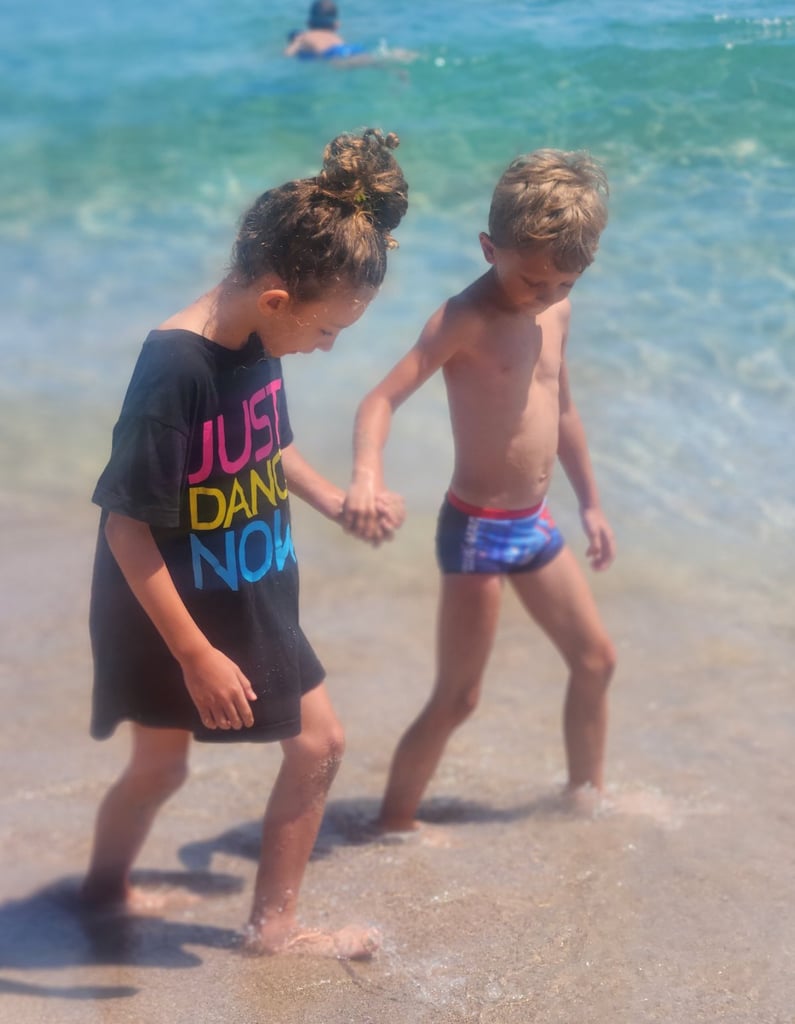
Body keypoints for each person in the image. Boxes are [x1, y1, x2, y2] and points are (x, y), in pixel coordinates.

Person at [81, 128, 409, 959]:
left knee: (319, 745)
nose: (326, 347)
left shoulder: (258, 336)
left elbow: (264, 443)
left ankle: (273, 928)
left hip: (249, 585)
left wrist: (333, 500)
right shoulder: (175, 368)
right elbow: (126, 524)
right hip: (167, 606)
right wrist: (194, 654)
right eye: (326, 331)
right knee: (161, 769)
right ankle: (103, 897)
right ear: (275, 299)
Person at [343, 149, 618, 832]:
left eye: (563, 282)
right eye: (532, 279)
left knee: (596, 660)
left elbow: (562, 410)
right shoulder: (462, 319)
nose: (544, 294)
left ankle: (585, 799)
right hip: (476, 530)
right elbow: (380, 400)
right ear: (489, 248)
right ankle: (394, 825)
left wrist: (590, 502)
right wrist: (367, 476)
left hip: (536, 523)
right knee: (459, 697)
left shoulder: (557, 309)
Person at [284, 0, 366, 61]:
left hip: (329, 54)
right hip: (348, 49)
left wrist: (295, 42)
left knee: (340, 62)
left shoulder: (304, 36)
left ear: (309, 23)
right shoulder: (336, 37)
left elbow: (288, 54)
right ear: (337, 25)